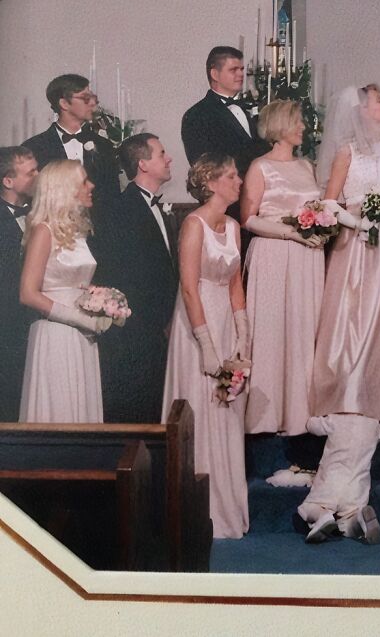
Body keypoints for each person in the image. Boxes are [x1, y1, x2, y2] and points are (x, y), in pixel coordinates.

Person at [311, 84, 380, 430]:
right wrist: (356, 221)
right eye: (378, 100)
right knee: (352, 312)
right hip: (354, 241)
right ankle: (347, 396)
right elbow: (329, 202)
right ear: (361, 110)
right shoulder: (347, 152)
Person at [161, 154, 249, 539]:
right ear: (211, 183)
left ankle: (226, 509)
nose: (240, 181)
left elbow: (235, 283)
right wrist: (207, 347)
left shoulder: (232, 225)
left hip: (226, 322)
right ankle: (197, 512)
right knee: (200, 403)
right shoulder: (193, 224)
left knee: (226, 408)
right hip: (196, 325)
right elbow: (187, 286)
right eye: (231, 176)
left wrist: (243, 333)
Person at [241, 100, 326, 436]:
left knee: (305, 328)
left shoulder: (307, 166)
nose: (303, 128)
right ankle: (268, 414)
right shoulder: (259, 167)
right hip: (275, 254)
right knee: (273, 329)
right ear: (280, 126)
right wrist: (291, 232)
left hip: (308, 257)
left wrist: (320, 229)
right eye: (298, 123)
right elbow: (248, 218)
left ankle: (301, 412)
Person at [19, 160, 111, 423]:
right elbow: (27, 292)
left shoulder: (79, 231)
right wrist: (78, 319)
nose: (91, 185)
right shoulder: (44, 231)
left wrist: (103, 300)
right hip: (56, 333)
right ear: (64, 188)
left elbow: (77, 281)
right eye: (84, 181)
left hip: (84, 334)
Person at [100, 134, 179, 423]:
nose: (168, 158)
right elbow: (127, 273)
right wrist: (159, 321)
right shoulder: (122, 210)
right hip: (139, 330)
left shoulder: (156, 205)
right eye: (161, 153)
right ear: (143, 164)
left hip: (162, 325)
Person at [22, 74, 120, 236]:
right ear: (64, 103)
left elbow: (113, 197)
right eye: (85, 98)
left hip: (100, 238)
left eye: (93, 97)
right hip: (54, 236)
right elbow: (31, 199)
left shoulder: (104, 146)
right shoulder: (34, 148)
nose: (93, 103)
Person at [181, 46, 268, 218]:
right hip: (227, 208)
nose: (241, 74)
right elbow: (204, 166)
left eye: (242, 69)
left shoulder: (254, 107)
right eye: (233, 69)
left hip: (263, 204)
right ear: (215, 74)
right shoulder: (196, 115)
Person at [296, 413, 380, 545]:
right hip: (358, 486)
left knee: (308, 507)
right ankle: (359, 518)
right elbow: (379, 436)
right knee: (348, 519)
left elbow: (311, 425)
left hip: (331, 482)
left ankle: (322, 516)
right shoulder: (375, 426)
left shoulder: (334, 420)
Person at [0, 146, 38, 420]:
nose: (38, 176)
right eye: (31, 172)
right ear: (8, 181)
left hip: (36, 321)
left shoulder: (39, 214)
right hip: (8, 327)